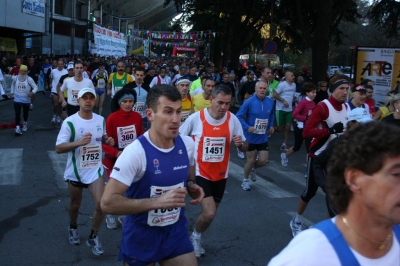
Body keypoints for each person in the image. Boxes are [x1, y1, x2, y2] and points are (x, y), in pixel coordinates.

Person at [268, 121, 400, 266]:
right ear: (355, 180)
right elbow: (316, 157)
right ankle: (297, 219)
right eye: (396, 174)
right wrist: (325, 184)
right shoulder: (310, 255)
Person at [101, 84, 204, 265]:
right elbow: (107, 202)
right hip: (142, 235)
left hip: (175, 231)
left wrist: (190, 184)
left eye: (179, 112)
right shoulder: (135, 153)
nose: (175, 119)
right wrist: (158, 202)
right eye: (168, 111)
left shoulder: (187, 144)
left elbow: (189, 168)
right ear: (150, 115)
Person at [180, 84, 248, 257]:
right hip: (200, 173)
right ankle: (194, 238)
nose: (223, 107)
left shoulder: (232, 119)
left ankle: (196, 235)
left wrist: (241, 145)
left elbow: (245, 146)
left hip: (221, 175)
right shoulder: (196, 119)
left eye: (227, 103)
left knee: (211, 214)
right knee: (209, 212)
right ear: (211, 99)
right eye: (220, 103)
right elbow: (179, 139)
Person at [55, 87, 114, 256]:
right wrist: (78, 142)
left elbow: (101, 136)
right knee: (75, 205)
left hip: (94, 169)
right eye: (84, 98)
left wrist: (106, 139)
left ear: (95, 101)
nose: (88, 101)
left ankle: (93, 236)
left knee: (101, 204)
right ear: (78, 100)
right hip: (76, 170)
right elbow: (58, 148)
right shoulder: (70, 122)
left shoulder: (100, 120)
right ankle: (73, 226)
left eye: (91, 98)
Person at [289, 75, 350, 237]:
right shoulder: (323, 107)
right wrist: (328, 131)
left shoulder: (347, 108)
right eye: (341, 89)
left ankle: (325, 230)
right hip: (318, 156)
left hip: (336, 159)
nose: (345, 92)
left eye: (347, 89)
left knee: (333, 195)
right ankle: (296, 221)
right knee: (309, 192)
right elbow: (307, 131)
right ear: (333, 90)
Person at [313, 108, 373, 218]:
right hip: (339, 195)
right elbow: (317, 162)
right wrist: (325, 185)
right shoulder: (338, 143)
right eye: (363, 125)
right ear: (352, 124)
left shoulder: (369, 144)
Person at [102, 87, 144, 229]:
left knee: (130, 188)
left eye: (130, 101)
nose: (127, 104)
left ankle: (122, 213)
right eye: (125, 101)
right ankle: (109, 214)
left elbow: (141, 137)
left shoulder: (137, 117)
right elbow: (104, 144)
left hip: (131, 159)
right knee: (114, 190)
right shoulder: (112, 118)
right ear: (119, 103)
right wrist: (117, 153)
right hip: (113, 159)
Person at [236, 81, 274, 191]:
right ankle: (245, 181)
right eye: (260, 88)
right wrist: (247, 127)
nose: (262, 90)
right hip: (250, 137)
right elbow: (238, 116)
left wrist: (271, 125)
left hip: (262, 137)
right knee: (251, 160)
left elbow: (271, 114)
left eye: (264, 88)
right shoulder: (249, 102)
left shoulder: (270, 101)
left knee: (263, 161)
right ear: (256, 89)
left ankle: (252, 169)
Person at [281, 83, 317, 168]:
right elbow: (294, 115)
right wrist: (306, 118)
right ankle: (285, 155)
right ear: (307, 93)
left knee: (309, 149)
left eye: (315, 92)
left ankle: (308, 171)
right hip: (300, 128)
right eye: (312, 92)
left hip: (309, 129)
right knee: (297, 147)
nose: (314, 94)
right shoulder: (303, 102)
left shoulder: (313, 102)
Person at [10, 65, 38, 135]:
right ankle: (17, 128)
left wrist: (32, 92)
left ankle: (25, 123)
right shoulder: (15, 78)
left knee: (25, 113)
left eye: (25, 71)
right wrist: (12, 92)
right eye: (22, 71)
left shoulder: (29, 79)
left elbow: (35, 87)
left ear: (27, 72)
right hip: (17, 99)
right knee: (17, 113)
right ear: (19, 71)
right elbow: (12, 85)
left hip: (26, 100)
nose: (23, 73)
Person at [273, 71, 296, 151]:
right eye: (292, 75)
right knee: (280, 129)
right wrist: (283, 101)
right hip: (280, 109)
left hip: (289, 110)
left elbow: (291, 95)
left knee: (288, 127)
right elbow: (274, 95)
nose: (294, 77)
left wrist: (295, 99)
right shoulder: (282, 85)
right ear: (287, 77)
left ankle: (284, 144)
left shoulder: (294, 85)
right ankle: (270, 130)